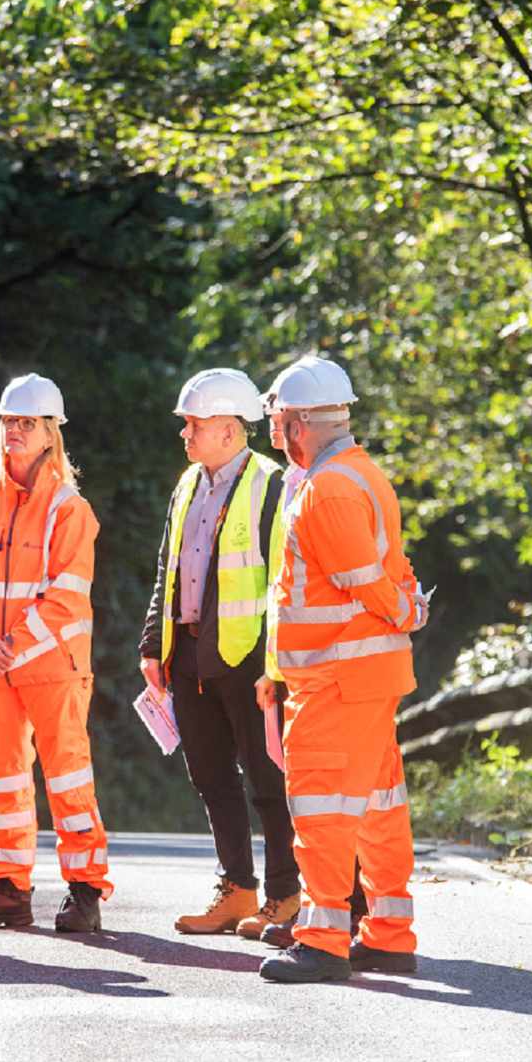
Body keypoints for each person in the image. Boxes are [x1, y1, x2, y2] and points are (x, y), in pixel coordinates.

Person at [255, 357, 430, 983]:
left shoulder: (326, 488)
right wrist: (406, 607)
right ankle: (387, 934)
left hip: (334, 680)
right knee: (380, 807)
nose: (273, 432)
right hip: (363, 677)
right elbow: (394, 568)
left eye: (277, 420)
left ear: (299, 422)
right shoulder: (362, 476)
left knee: (321, 808)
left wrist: (403, 611)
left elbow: (363, 581)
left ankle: (324, 939)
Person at [0, 374, 111, 933]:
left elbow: (66, 594)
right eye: (8, 422)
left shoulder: (69, 508)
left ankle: (84, 891)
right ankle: (9, 888)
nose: (14, 431)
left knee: (67, 775)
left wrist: (8, 645)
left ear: (49, 434)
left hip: (50, 665)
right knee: (5, 776)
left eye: (26, 423)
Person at [137, 369, 299, 939]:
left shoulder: (271, 486)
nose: (185, 434)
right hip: (190, 657)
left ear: (230, 430)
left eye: (194, 424)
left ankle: (285, 893)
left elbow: (284, 580)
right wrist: (152, 642)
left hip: (250, 659)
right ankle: (237, 890)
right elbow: (168, 569)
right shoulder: (188, 484)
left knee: (266, 779)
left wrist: (275, 666)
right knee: (210, 776)